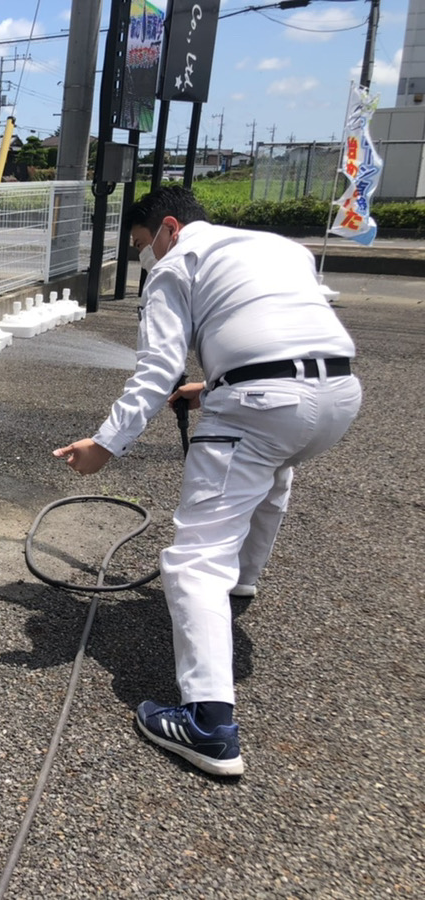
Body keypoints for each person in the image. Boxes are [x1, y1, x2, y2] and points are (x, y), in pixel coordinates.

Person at [52, 186, 362, 777]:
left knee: (195, 559)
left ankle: (209, 726)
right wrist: (216, 383)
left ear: (169, 228)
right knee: (272, 476)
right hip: (337, 396)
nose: (143, 255)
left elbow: (157, 369)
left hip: (260, 404)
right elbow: (282, 329)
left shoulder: (176, 264)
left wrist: (104, 444)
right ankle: (241, 583)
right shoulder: (279, 247)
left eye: (142, 242)